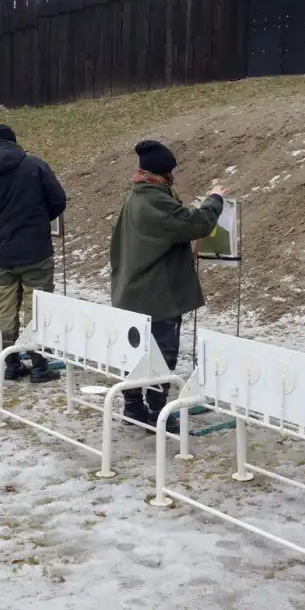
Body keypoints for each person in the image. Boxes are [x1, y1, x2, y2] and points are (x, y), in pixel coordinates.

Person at [109, 139, 225, 431]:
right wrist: (215, 199)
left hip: (133, 291)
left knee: (135, 353)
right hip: (155, 295)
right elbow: (195, 224)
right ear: (164, 172)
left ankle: (134, 407)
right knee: (163, 353)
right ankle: (158, 411)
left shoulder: (138, 195)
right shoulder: (154, 200)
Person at [0, 124, 67, 383]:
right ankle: (39, 364)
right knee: (38, 308)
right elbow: (58, 200)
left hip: (3, 255)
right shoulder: (35, 166)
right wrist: (39, 219)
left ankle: (10, 363)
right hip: (37, 251)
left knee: (6, 310)